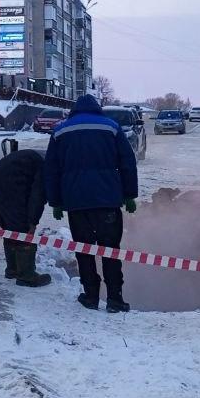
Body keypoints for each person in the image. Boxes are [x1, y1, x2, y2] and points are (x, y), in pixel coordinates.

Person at [44, 94, 140, 313]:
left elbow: (51, 169)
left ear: (75, 110)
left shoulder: (60, 131)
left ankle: (91, 296)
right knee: (110, 251)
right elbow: (128, 162)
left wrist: (56, 201)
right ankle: (115, 299)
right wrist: (129, 195)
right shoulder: (112, 127)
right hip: (108, 201)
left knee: (84, 251)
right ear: (98, 109)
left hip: (77, 203)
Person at [0, 148, 51, 287]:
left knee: (10, 229)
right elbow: (37, 196)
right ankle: (26, 276)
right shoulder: (47, 166)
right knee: (23, 228)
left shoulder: (41, 157)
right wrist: (32, 222)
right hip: (9, 186)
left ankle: (13, 270)